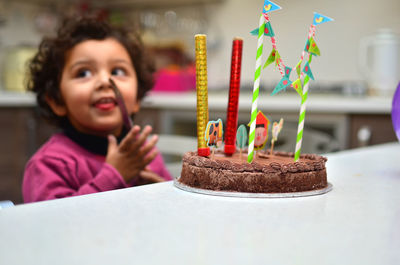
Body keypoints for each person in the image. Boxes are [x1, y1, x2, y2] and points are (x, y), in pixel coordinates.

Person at [23, 16, 172, 203]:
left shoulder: (142, 154)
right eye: (83, 73)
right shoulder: (48, 165)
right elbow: (53, 224)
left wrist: (163, 193)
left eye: (117, 71)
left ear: (137, 99)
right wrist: (115, 176)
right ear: (57, 101)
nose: (104, 81)